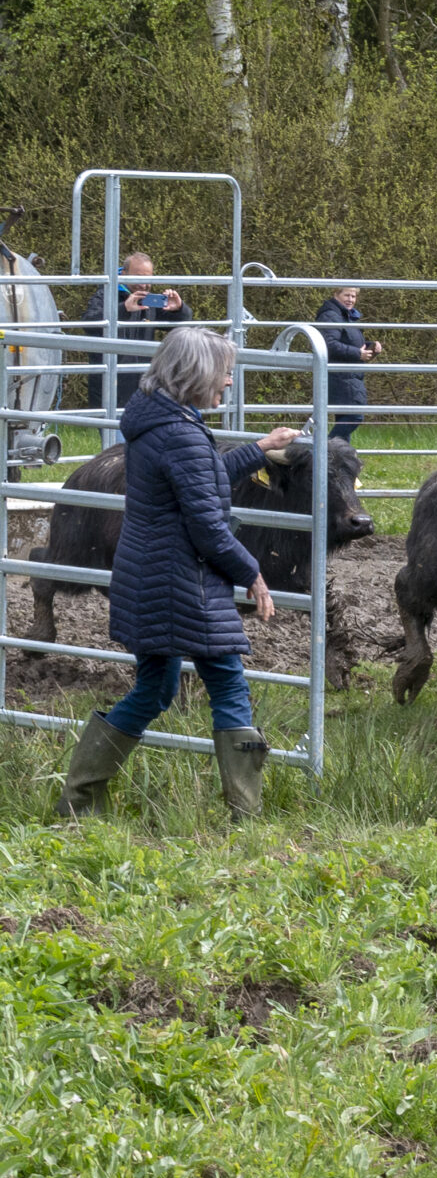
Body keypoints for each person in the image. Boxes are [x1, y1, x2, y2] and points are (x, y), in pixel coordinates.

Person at [53, 327, 302, 822]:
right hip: (183, 583)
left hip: (148, 576)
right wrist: (252, 573)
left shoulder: (157, 421)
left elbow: (198, 478)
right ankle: (246, 817)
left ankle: (78, 803)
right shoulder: (181, 434)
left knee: (154, 689)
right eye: (224, 372)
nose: (228, 382)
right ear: (196, 373)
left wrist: (259, 447)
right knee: (228, 684)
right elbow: (207, 526)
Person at [81, 252, 193, 446]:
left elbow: (180, 325)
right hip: (111, 391)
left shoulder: (149, 301)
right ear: (124, 274)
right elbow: (90, 323)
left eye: (148, 279)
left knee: (143, 448)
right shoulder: (106, 293)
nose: (143, 284)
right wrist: (124, 308)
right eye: (138, 277)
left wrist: (179, 308)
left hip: (143, 391)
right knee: (119, 450)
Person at [315, 285, 381, 442]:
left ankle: (338, 455)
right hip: (340, 376)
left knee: (345, 419)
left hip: (348, 376)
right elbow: (329, 344)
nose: (350, 300)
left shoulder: (346, 316)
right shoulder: (330, 316)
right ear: (336, 294)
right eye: (347, 295)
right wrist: (358, 353)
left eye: (353, 296)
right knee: (354, 415)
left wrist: (370, 346)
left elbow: (349, 342)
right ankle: (324, 449)